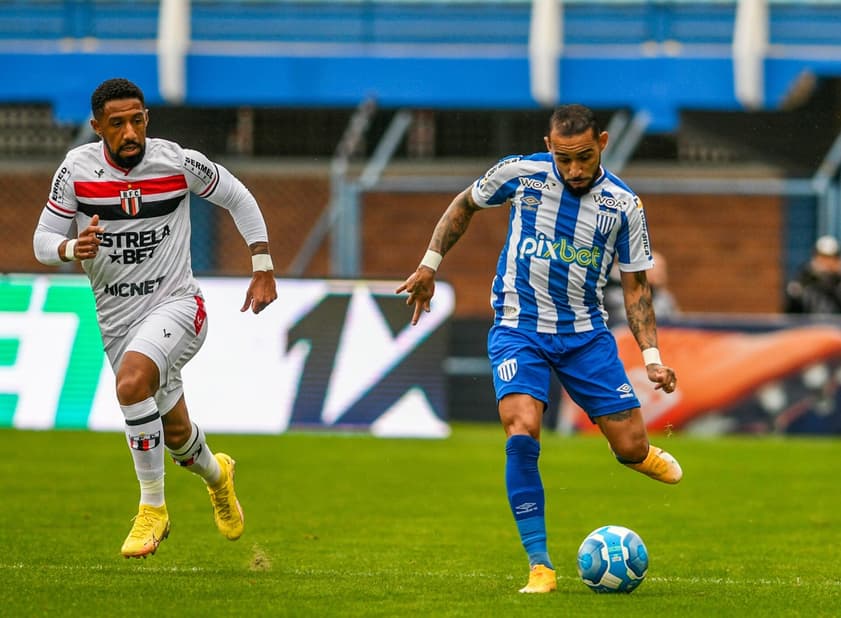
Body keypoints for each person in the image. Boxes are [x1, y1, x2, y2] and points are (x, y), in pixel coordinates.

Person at [397, 104, 682, 593]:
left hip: (585, 336)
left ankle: (636, 454)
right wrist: (429, 264)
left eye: (586, 158)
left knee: (630, 444)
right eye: (565, 158)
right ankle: (540, 565)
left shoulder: (624, 206)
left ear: (604, 144)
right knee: (522, 429)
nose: (575, 170)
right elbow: (463, 204)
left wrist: (652, 359)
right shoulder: (520, 174)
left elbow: (636, 288)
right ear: (549, 146)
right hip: (517, 326)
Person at [32, 78, 278, 558]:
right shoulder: (76, 170)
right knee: (179, 437)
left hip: (179, 305)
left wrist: (263, 265)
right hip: (117, 319)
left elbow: (238, 196)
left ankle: (152, 510)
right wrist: (69, 247)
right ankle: (218, 475)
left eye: (137, 119)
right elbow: (43, 240)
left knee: (130, 384)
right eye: (118, 123)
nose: (130, 131)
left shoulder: (177, 161)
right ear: (97, 126)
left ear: (147, 119)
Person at [603, 250, 679, 327]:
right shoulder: (616, 296)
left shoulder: (665, 299)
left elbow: (675, 323)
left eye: (661, 269)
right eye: (654, 268)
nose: (659, 274)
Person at [784, 235, 841, 314]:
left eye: (832, 258)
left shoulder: (838, 280)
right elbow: (792, 308)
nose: (827, 262)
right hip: (810, 324)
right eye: (823, 257)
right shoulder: (803, 278)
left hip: (835, 325)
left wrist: (835, 278)